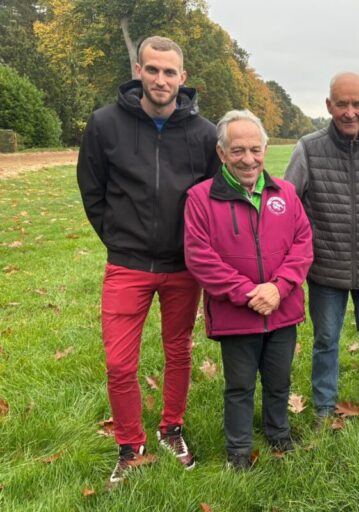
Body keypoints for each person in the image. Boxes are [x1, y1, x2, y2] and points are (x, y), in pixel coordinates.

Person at [77, 36, 219, 486]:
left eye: (169, 72)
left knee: (179, 351)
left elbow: (213, 200)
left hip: (182, 267)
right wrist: (120, 238)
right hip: (128, 264)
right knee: (120, 363)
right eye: (152, 70)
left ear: (183, 78)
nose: (161, 79)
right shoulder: (104, 124)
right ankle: (129, 444)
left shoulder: (204, 133)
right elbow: (92, 190)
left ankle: (171, 429)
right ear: (138, 70)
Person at [184, 110, 313, 470]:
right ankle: (238, 451)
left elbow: (303, 244)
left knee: (279, 380)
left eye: (255, 149)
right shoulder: (200, 198)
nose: (248, 159)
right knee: (239, 386)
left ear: (266, 149)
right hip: (236, 314)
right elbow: (200, 257)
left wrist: (279, 287)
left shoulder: (285, 193)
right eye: (238, 150)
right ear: (222, 153)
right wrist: (248, 293)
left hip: (282, 310)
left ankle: (278, 433)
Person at [284, 72, 359, 424]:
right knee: (326, 340)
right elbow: (290, 205)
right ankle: (323, 406)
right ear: (328, 106)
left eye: (356, 104)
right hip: (325, 269)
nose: (350, 112)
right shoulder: (308, 148)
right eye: (342, 104)